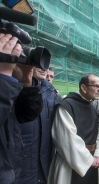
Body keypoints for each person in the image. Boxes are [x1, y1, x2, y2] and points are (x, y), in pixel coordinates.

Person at [0, 33, 42, 184]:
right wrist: (4, 77)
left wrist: (26, 84)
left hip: (14, 169)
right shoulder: (4, 83)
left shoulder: (8, 86)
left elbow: (28, 114)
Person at [48, 73, 99, 184]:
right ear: (83, 87)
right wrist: (89, 160)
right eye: (96, 86)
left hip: (92, 162)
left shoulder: (92, 107)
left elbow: (98, 132)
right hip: (70, 164)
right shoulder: (66, 106)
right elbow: (66, 139)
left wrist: (98, 154)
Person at [19, 66, 61, 184]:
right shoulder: (14, 87)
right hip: (22, 159)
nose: (43, 68)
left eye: (45, 64)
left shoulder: (53, 94)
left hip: (46, 160)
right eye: (37, 64)